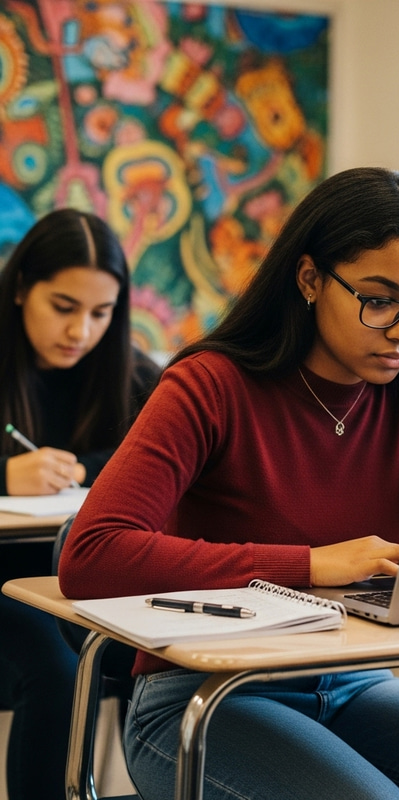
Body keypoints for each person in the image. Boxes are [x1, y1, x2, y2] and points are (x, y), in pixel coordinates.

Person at [58, 168, 399, 800]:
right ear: (308, 279)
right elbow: (92, 554)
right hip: (202, 695)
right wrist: (307, 565)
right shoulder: (209, 386)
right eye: (380, 300)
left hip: (352, 682)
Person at [0, 207, 161, 800]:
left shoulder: (133, 377)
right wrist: (4, 475)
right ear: (21, 289)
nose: (81, 332)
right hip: (7, 589)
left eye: (101, 313)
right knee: (58, 671)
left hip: (84, 582)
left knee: (178, 657)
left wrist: (87, 468)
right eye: (63, 308)